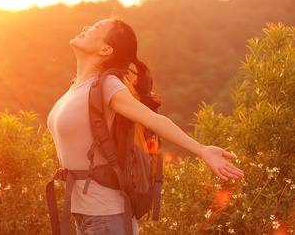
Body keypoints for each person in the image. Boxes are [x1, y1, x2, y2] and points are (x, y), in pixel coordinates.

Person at [47, 18, 244, 235]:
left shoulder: (108, 85)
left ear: (105, 49)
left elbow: (153, 120)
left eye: (95, 28)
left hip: (107, 218)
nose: (85, 27)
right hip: (85, 216)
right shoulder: (76, 86)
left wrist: (202, 150)